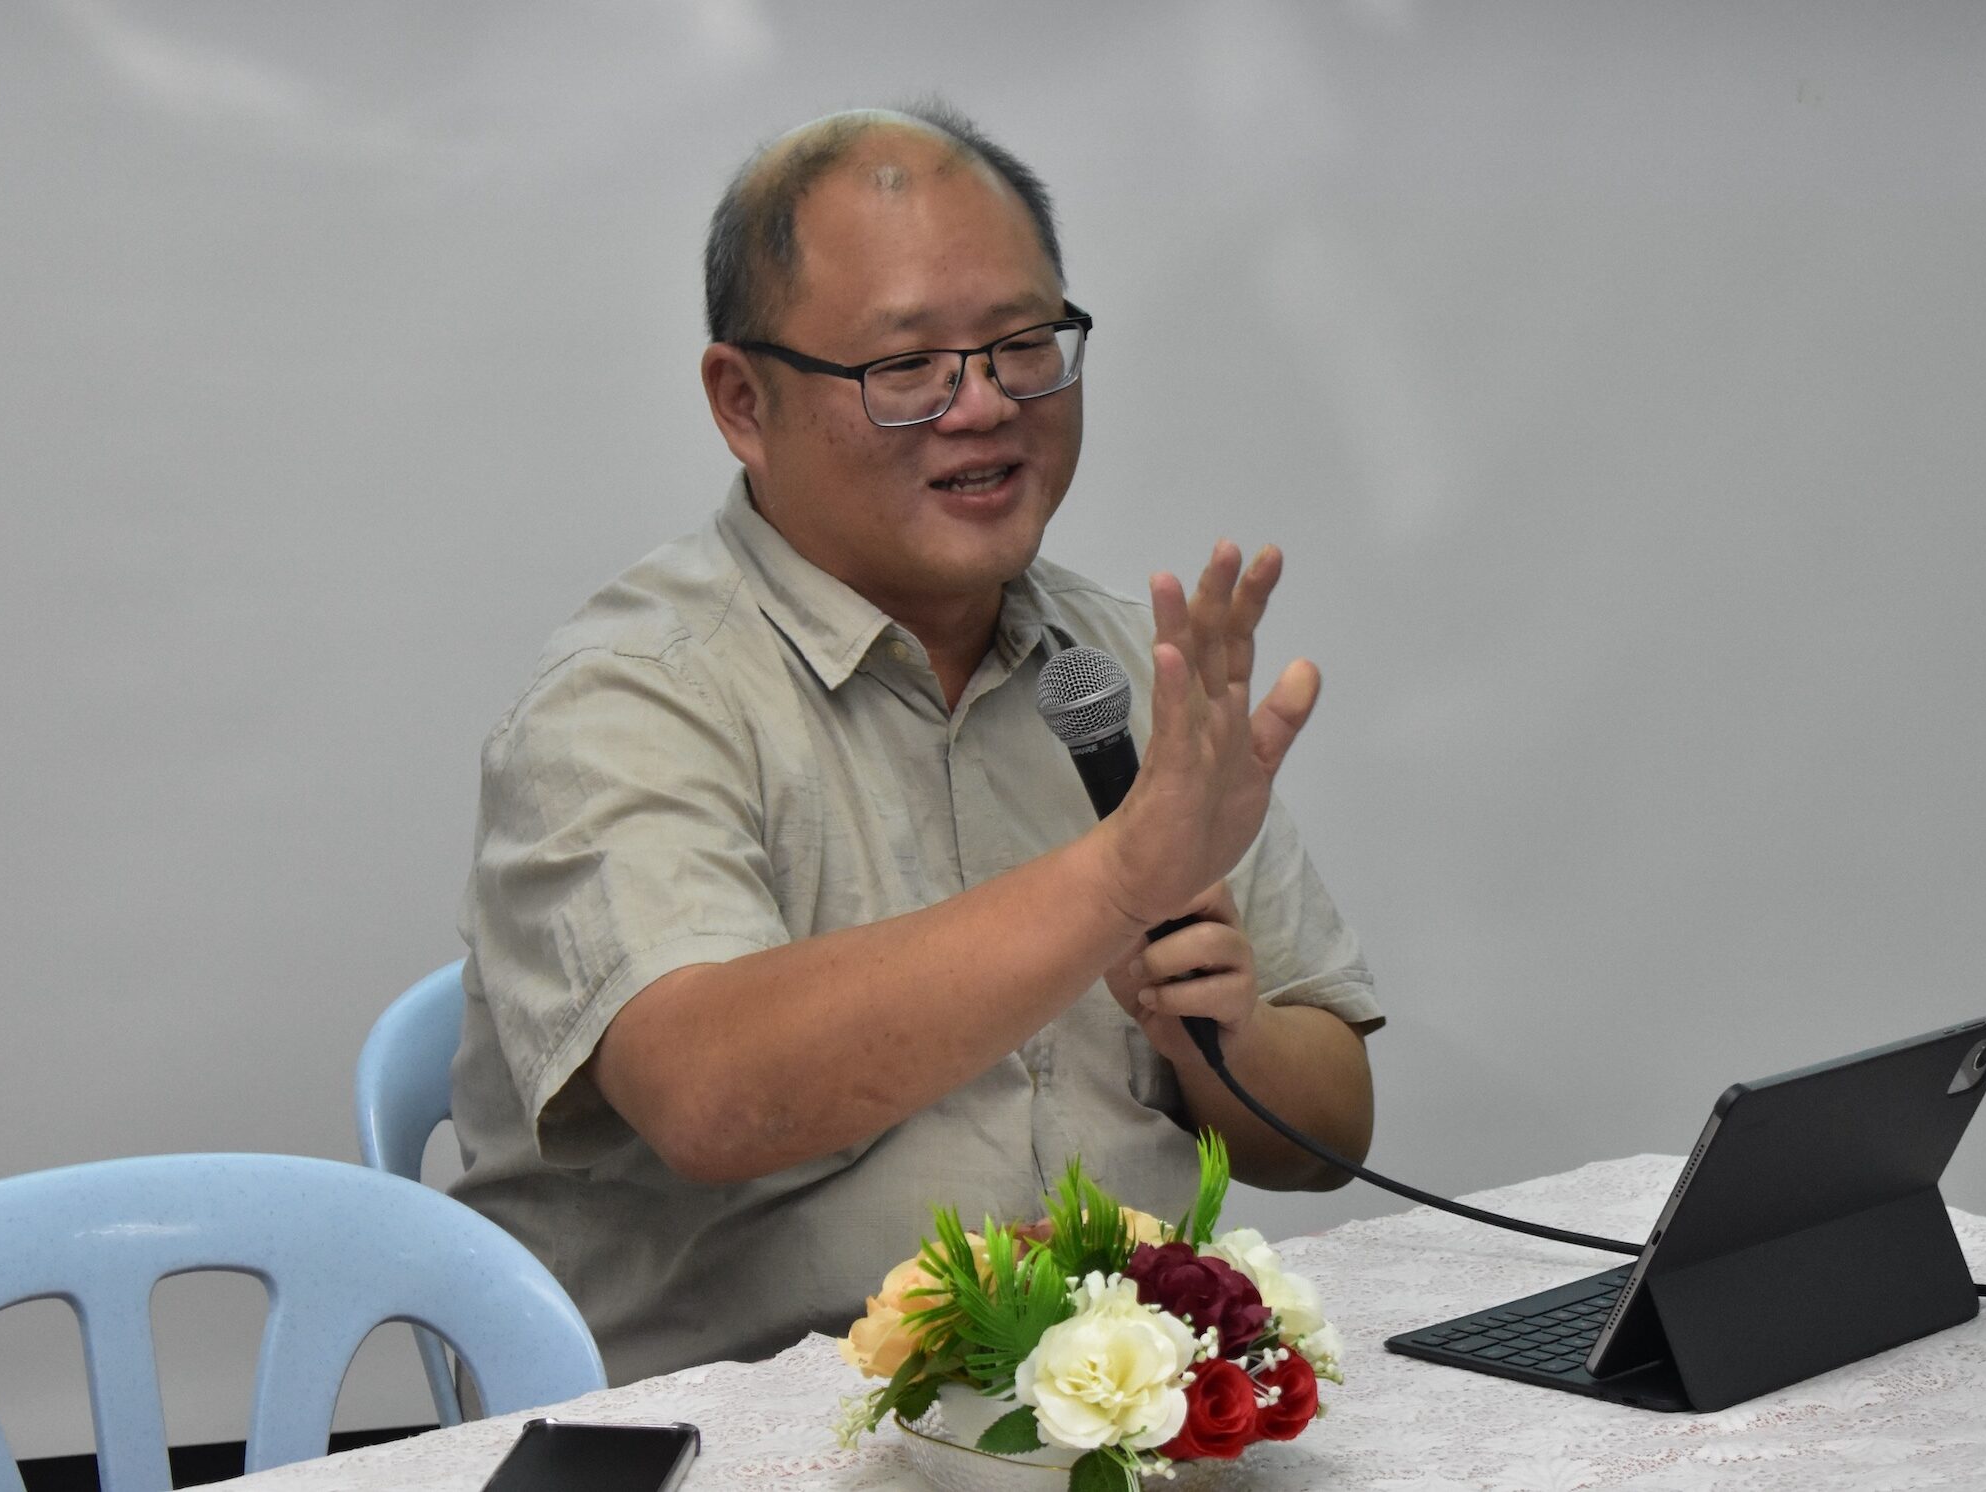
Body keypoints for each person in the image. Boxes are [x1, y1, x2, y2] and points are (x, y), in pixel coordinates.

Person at [447, 101, 1382, 1385]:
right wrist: (1118, 879)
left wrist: (1221, 1043)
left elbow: (1327, 1134)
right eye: (907, 367)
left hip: (1110, 1420)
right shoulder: (628, 701)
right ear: (742, 401)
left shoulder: (1122, 670)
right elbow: (710, 1094)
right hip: (749, 1433)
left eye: (1022, 345)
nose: (983, 404)